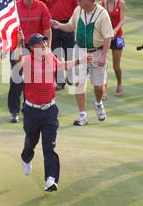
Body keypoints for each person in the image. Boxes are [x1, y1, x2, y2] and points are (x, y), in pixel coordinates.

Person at [16, 33, 92, 192]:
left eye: (44, 42)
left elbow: (62, 65)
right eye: (39, 44)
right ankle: (26, 157)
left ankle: (51, 179)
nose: (44, 45)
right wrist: (18, 42)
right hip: (32, 111)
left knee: (49, 146)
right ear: (32, 48)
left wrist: (80, 61)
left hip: (50, 110)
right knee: (31, 142)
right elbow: (18, 60)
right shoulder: (28, 61)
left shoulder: (50, 56)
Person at [51, 0, 114, 125]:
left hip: (97, 52)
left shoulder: (102, 14)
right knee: (80, 83)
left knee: (98, 86)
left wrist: (103, 56)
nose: (77, 0)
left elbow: (108, 37)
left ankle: (98, 103)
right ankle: (82, 115)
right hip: (80, 51)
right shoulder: (78, 10)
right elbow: (71, 26)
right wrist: (59, 26)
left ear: (90, 1)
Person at [8, 0, 52, 123]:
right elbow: (7, 29)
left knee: (33, 79)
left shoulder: (41, 7)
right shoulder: (14, 8)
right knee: (17, 79)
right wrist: (16, 37)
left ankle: (28, 109)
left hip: (36, 47)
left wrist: (47, 48)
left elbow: (47, 30)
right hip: (18, 46)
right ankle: (14, 111)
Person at [43, 0, 79, 90]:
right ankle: (60, 81)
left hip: (68, 24)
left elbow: (78, 8)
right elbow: (44, 8)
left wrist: (74, 23)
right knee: (56, 54)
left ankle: (70, 75)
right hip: (53, 25)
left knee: (69, 52)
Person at [100, 0, 126, 97]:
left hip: (117, 36)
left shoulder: (120, 3)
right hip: (104, 37)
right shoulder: (101, 5)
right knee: (103, 64)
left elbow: (122, 20)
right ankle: (103, 88)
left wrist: (114, 31)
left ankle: (119, 84)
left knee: (116, 65)